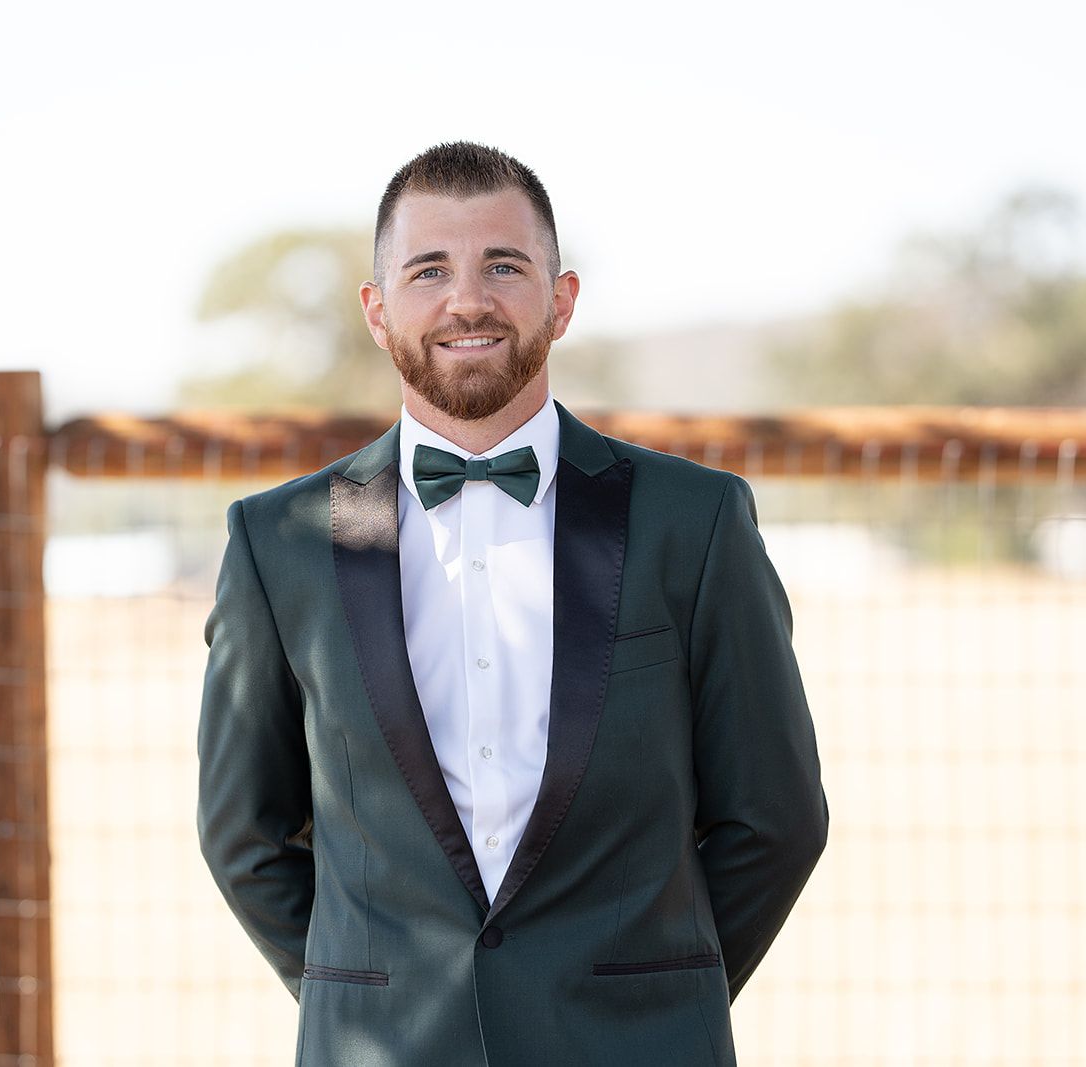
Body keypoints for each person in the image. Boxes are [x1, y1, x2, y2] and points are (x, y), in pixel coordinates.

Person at [197, 142, 828, 1066]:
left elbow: (774, 817)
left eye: (503, 265)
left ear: (560, 299)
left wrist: (655, 990)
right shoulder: (280, 541)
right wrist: (373, 986)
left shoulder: (694, 521)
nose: (467, 299)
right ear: (377, 312)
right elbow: (243, 833)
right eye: (428, 271)